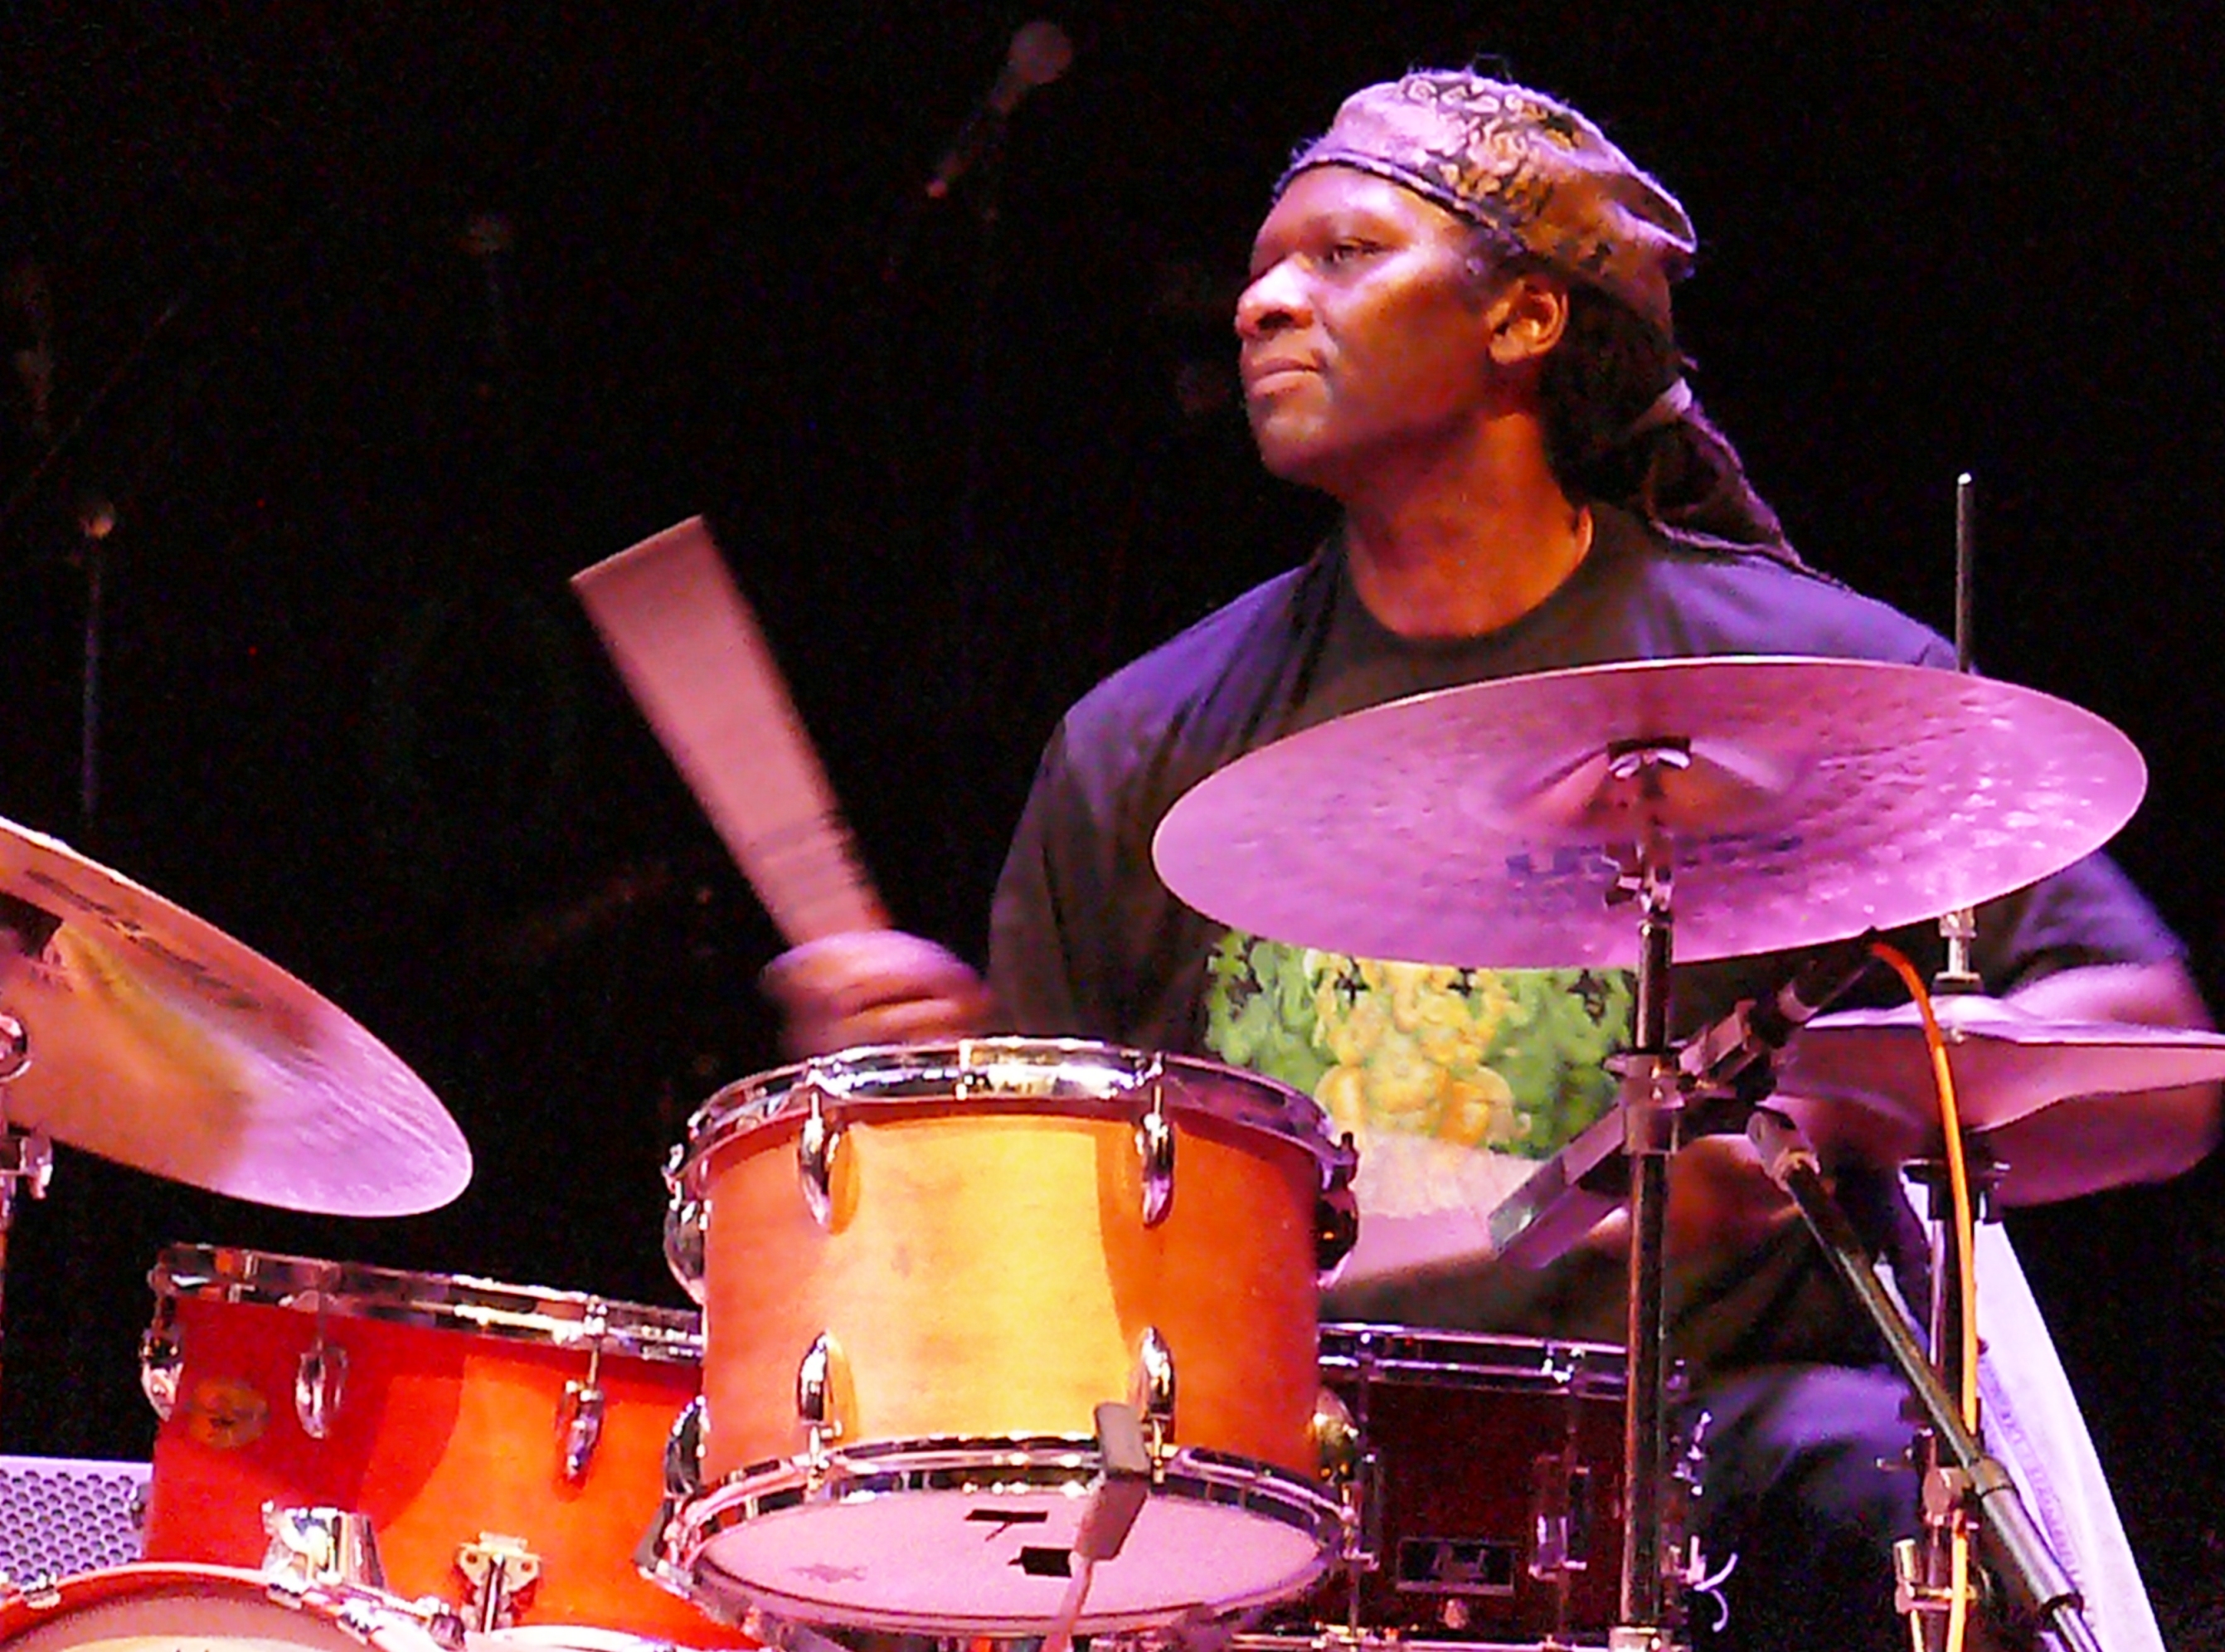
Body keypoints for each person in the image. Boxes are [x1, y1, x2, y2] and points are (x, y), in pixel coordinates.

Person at [764, 70, 2218, 1650]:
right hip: (1272, 1489)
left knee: (1857, 1473)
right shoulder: (1145, 741)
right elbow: (1062, 1233)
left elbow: (2155, 1059)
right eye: (1263, 263)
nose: (1262, 302)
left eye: (1339, 256)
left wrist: (1868, 1083)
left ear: (1525, 320)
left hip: (1713, 1489)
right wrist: (954, 1084)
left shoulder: (1805, 685)